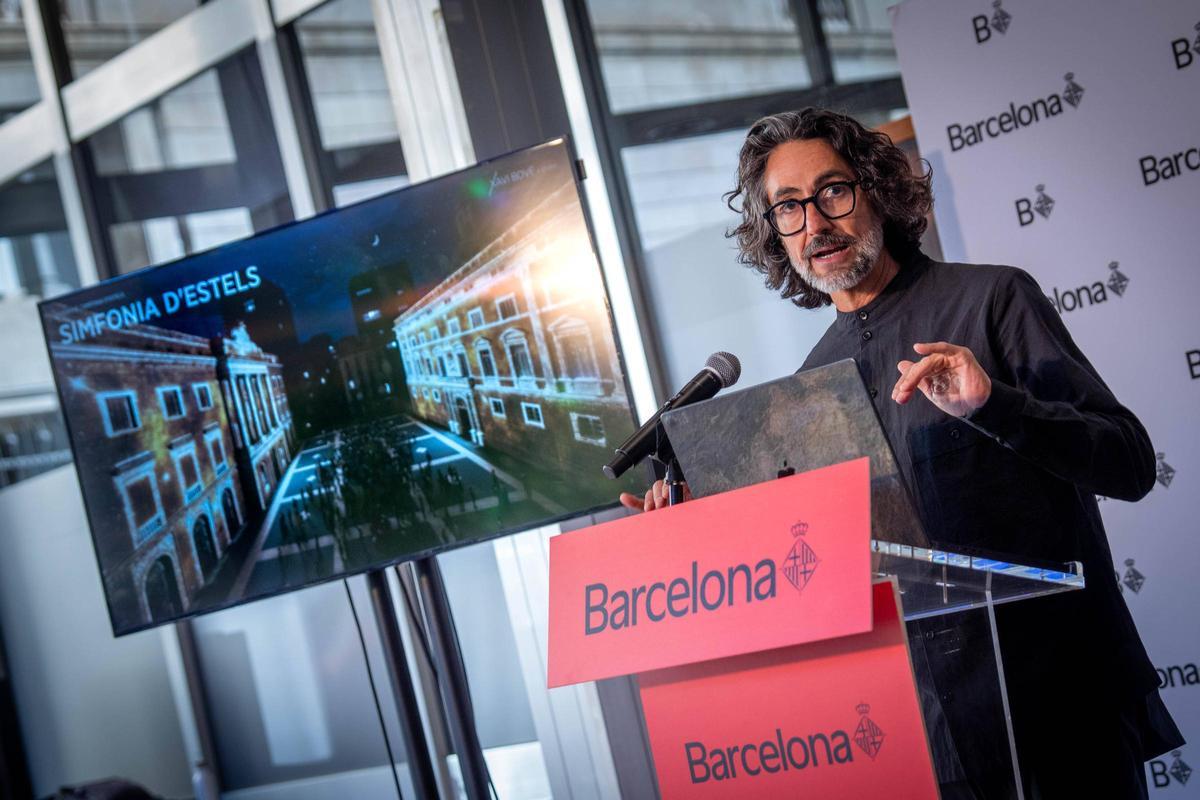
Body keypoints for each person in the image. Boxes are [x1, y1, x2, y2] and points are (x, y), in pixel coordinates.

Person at [619, 108, 1182, 798]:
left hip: (1056, 708)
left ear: (877, 189)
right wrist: (696, 540)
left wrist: (994, 405)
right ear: (774, 234)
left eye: (832, 191)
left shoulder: (992, 300)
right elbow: (820, 574)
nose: (814, 223)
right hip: (922, 736)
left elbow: (1129, 464)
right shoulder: (807, 386)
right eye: (788, 209)